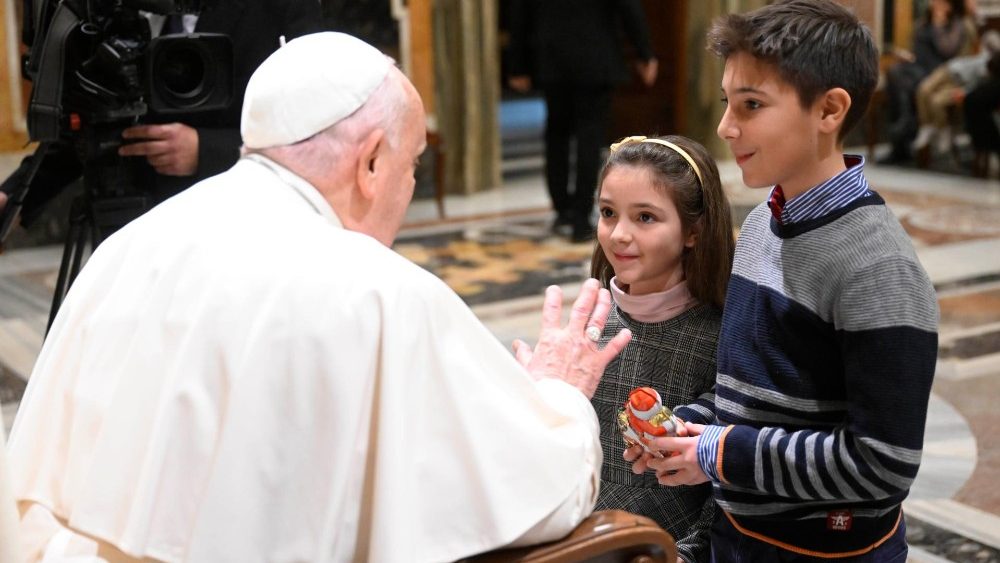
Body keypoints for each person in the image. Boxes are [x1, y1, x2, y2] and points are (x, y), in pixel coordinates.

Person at [6, 32, 634, 562]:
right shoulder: (376, 292)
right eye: (410, 165)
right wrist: (559, 393)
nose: (409, 189)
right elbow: (532, 493)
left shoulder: (131, 245)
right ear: (369, 164)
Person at [626, 1, 939, 560]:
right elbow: (758, 396)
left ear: (829, 110)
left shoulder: (877, 267)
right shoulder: (766, 226)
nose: (725, 125)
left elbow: (882, 465)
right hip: (741, 535)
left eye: (752, 105)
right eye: (728, 102)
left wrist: (721, 453)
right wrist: (688, 431)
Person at [0, 0, 323, 232]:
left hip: (244, 223)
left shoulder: (282, 8)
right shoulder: (117, 12)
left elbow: (313, 126)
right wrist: (13, 196)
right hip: (136, 223)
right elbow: (96, 115)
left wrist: (205, 150)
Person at [587, 134, 734, 563]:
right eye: (608, 213)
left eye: (645, 217)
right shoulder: (592, 320)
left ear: (694, 230)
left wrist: (684, 556)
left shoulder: (721, 336)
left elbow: (727, 488)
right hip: (585, 540)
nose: (618, 235)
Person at [507, 0, 658, 243]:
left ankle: (562, 210)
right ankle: (580, 217)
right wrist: (645, 52)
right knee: (590, 138)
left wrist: (517, 65)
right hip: (595, 57)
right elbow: (628, 7)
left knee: (556, 135)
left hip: (553, 58)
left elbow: (521, 14)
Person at [881, 0, 973, 164]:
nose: (935, 4)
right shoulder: (924, 22)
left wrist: (938, 25)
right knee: (895, 74)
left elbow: (948, 50)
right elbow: (916, 48)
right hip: (919, 67)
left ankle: (902, 138)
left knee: (906, 86)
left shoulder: (957, 24)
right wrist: (907, 56)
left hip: (939, 74)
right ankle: (902, 137)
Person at [912, 30, 1000, 158]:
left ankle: (942, 130)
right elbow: (989, 36)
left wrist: (964, 92)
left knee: (936, 101)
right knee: (923, 90)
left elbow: (977, 89)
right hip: (951, 69)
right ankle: (926, 127)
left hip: (959, 83)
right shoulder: (988, 54)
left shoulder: (989, 78)